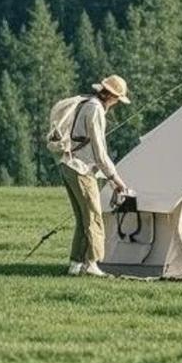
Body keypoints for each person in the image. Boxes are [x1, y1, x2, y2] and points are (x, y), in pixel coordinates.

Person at [54, 74, 132, 277]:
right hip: (82, 169)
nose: (116, 104)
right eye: (117, 99)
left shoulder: (85, 103)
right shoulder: (96, 109)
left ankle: (75, 264)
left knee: (82, 219)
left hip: (68, 165)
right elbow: (99, 152)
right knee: (94, 218)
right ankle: (92, 264)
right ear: (112, 97)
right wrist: (116, 180)